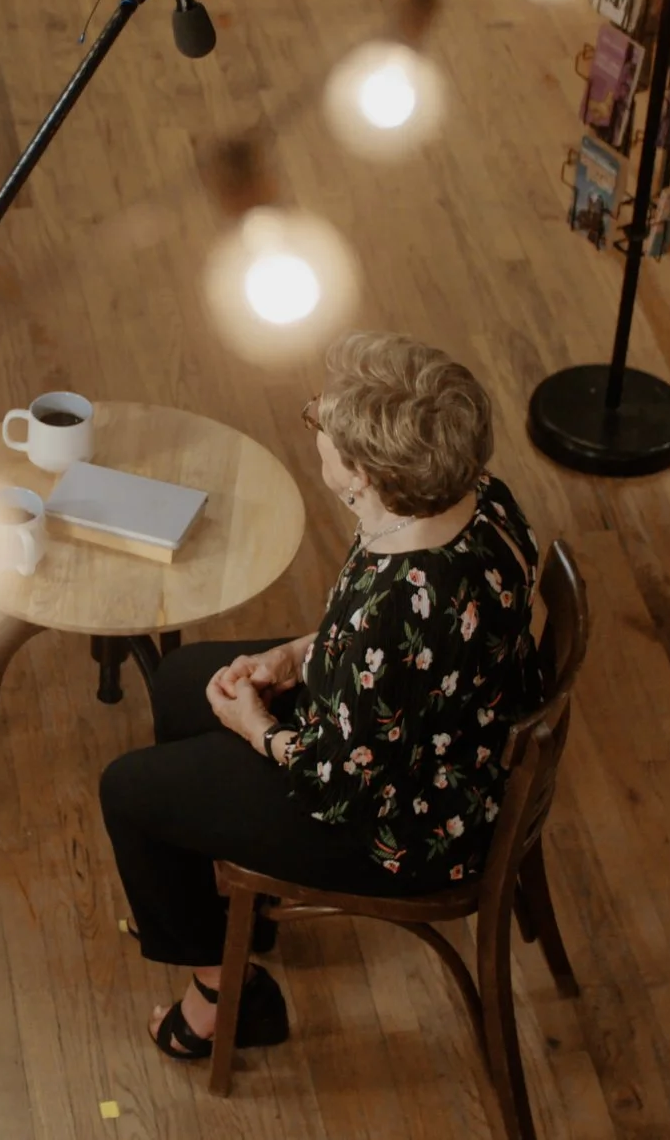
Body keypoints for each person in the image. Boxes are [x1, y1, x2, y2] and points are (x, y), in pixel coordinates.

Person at [98, 332, 545, 1061]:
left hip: (406, 823)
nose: (315, 423)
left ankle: (222, 992)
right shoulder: (474, 494)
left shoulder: (399, 609)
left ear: (363, 476)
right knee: (181, 683)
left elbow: (335, 778)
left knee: (129, 793)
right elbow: (382, 636)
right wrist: (297, 653)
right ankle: (227, 899)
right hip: (438, 720)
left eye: (320, 421)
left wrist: (255, 726)